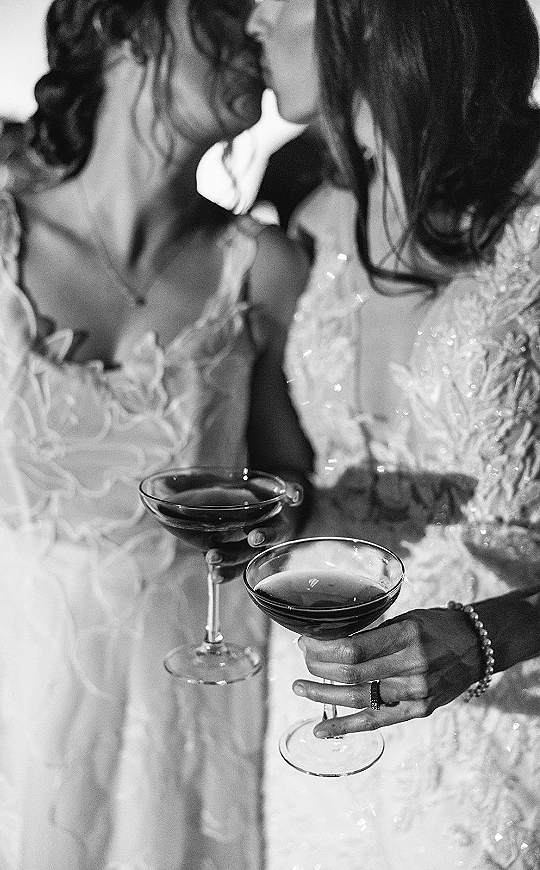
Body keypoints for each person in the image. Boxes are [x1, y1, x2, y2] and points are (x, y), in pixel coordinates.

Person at [0, 1, 313, 867]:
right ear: (126, 26)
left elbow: (295, 495)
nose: (254, 34)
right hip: (4, 711)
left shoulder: (263, 269)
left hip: (188, 723)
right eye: (225, 11)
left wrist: (255, 522)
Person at [246, 0, 540, 867]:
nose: (255, 21)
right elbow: (294, 471)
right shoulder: (312, 221)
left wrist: (496, 635)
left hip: (508, 726)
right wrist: (268, 517)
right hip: (322, 711)